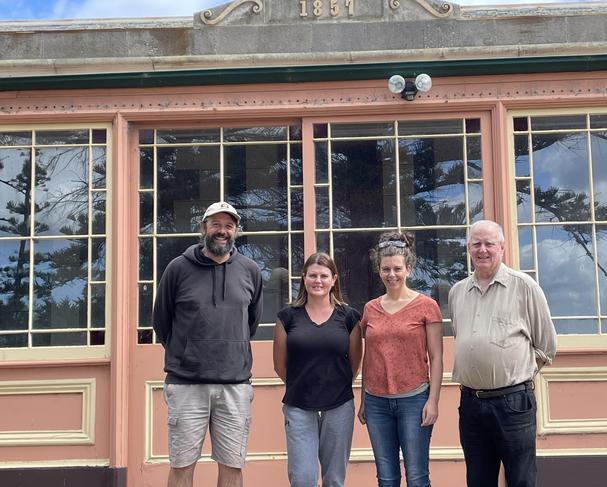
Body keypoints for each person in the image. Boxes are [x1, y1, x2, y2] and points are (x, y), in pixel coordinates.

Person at [153, 201, 263, 487]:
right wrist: (188, 350)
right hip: (186, 384)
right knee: (181, 466)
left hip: (235, 386)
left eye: (228, 226)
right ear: (203, 227)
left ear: (236, 231)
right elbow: (162, 322)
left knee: (232, 466)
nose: (222, 231)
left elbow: (250, 323)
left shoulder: (249, 270)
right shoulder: (177, 269)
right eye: (216, 224)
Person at [448, 220, 557, 487]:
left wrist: (514, 376)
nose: (482, 250)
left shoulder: (524, 287)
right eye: (476, 244)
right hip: (471, 404)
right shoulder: (457, 292)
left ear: (502, 248)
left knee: (520, 479)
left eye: (489, 244)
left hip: (513, 404)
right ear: (469, 249)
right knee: (478, 479)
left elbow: (546, 345)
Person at [358, 232, 444, 487]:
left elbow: (437, 357)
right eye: (386, 269)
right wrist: (364, 399)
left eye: (397, 268)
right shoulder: (370, 308)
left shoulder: (427, 306)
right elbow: (369, 357)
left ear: (409, 268)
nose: (391, 274)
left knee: (417, 477)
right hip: (376, 403)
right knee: (386, 478)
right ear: (378, 270)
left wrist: (433, 401)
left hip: (414, 400)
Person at [273, 252, 363, 487]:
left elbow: (355, 362)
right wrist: (303, 383)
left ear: (334, 279)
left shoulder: (349, 317)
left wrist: (335, 383)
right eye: (312, 275)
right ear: (303, 278)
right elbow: (279, 365)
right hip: (298, 405)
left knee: (334, 478)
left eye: (324, 275)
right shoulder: (287, 317)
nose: (318, 281)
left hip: (339, 404)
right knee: (302, 477)